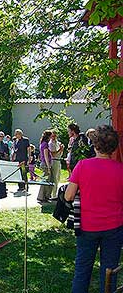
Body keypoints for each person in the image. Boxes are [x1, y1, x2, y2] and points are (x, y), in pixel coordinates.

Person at [65, 125, 123, 293]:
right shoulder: (120, 169)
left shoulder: (83, 166)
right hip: (114, 227)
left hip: (87, 227)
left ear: (95, 144)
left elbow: (68, 196)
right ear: (114, 147)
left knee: (82, 270)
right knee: (110, 270)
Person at [37, 130, 53, 202]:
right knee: (46, 180)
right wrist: (49, 166)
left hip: (43, 163)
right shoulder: (45, 144)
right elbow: (46, 156)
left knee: (46, 180)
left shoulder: (42, 143)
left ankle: (45, 196)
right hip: (46, 164)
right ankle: (42, 196)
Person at [48, 130, 64, 199]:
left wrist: (61, 150)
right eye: (52, 136)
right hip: (54, 161)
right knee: (54, 178)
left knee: (58, 177)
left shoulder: (58, 143)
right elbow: (53, 154)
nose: (54, 137)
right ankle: (53, 194)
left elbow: (59, 154)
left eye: (55, 136)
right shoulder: (50, 143)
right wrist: (60, 149)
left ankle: (55, 193)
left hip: (58, 160)